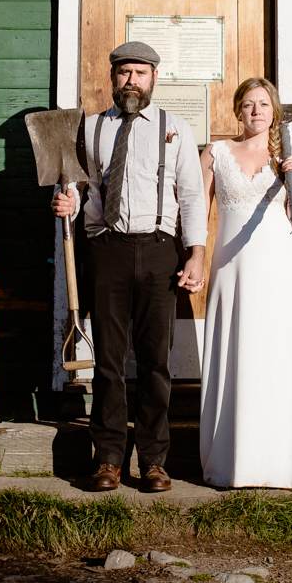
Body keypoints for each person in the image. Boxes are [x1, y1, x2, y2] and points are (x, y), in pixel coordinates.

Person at [51, 41, 206, 493]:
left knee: (157, 362)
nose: (131, 81)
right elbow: (82, 188)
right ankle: (109, 460)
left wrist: (195, 252)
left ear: (154, 77)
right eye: (124, 73)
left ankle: (155, 461)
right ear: (112, 77)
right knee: (109, 364)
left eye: (140, 73)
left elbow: (192, 196)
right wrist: (67, 202)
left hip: (160, 250)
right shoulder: (92, 129)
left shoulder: (174, 128)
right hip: (108, 250)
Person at [198, 76, 292, 490]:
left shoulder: (288, 156)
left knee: (276, 357)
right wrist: (193, 256)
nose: (256, 111)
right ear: (237, 109)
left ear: (275, 111)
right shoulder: (216, 153)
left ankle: (283, 463)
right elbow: (197, 211)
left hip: (279, 267)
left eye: (263, 105)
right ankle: (235, 461)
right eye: (248, 104)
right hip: (233, 269)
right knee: (236, 354)